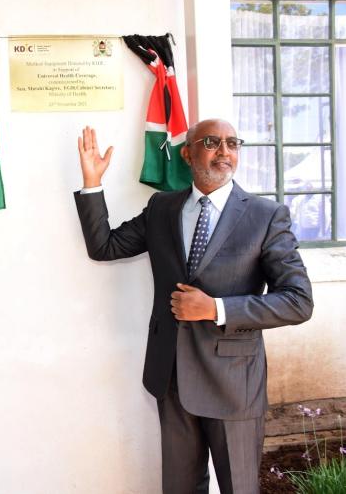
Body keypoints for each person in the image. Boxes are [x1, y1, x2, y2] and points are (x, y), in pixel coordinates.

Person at [73, 120, 313, 494]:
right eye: (212, 142)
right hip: (172, 378)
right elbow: (105, 246)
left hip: (234, 383)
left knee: (239, 487)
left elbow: (298, 301)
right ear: (188, 153)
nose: (224, 151)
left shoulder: (266, 216)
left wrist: (216, 308)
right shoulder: (162, 207)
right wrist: (92, 184)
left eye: (232, 143)